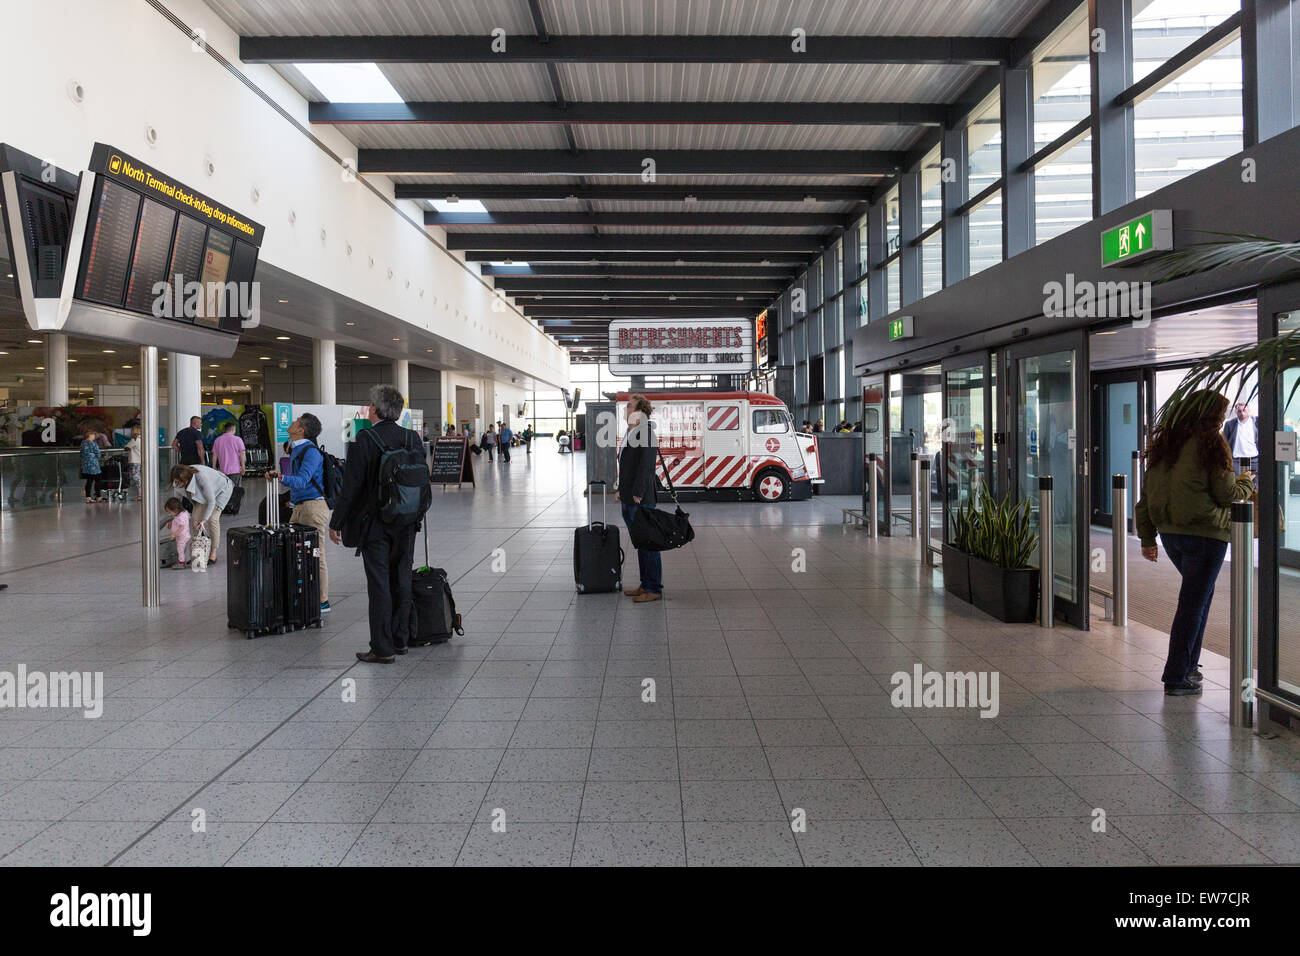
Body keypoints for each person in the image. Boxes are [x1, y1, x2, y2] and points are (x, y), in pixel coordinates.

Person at [1136, 390, 1255, 697]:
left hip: (1171, 536)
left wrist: (1148, 537)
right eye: (1219, 414)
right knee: (1192, 605)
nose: (1221, 420)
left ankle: (1189, 666)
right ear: (1210, 416)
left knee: (1198, 599)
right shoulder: (1210, 443)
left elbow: (1146, 496)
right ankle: (1177, 676)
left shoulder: (1165, 444)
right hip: (1205, 535)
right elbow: (1227, 494)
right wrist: (1246, 480)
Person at [329, 385, 424, 664]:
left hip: (376, 525)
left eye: (370, 404)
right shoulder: (412, 438)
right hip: (407, 522)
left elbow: (351, 487)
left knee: (380, 584)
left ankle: (382, 648)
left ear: (375, 409)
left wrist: (337, 521)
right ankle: (400, 639)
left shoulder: (365, 439)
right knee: (402, 579)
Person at [265, 413, 332, 615]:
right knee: (296, 553)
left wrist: (281, 476)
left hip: (313, 508)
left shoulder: (311, 452)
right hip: (300, 507)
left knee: (316, 554)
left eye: (296, 421)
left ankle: (322, 601)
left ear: (301, 429)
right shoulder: (296, 448)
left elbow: (302, 480)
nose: (292, 422)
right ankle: (301, 593)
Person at [618, 394, 663, 604]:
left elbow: (646, 466)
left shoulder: (645, 432)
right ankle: (645, 584)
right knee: (640, 543)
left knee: (648, 544)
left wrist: (637, 492)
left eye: (629, 406)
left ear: (639, 412)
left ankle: (653, 588)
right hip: (630, 496)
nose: (626, 409)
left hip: (641, 498)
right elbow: (628, 466)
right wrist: (621, 490)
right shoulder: (632, 431)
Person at [169, 463, 234, 565]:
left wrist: (204, 520)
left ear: (186, 480)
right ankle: (199, 553)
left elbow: (211, 501)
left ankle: (213, 553)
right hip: (204, 494)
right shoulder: (178, 480)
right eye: (175, 481)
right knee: (195, 519)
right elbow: (179, 501)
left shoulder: (201, 476)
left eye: (178, 482)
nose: (176, 484)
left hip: (222, 489)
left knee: (212, 519)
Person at [1223, 402, 1259, 477]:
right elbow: (1225, 442)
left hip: (1253, 459)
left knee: (1254, 484)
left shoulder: (1256, 422)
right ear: (1236, 412)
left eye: (1244, 410)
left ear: (1248, 410)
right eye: (1239, 411)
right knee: (1238, 483)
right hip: (1237, 460)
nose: (1242, 413)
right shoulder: (1230, 424)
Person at [211, 421, 247, 488]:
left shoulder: (217, 440)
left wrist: (214, 467)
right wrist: (243, 467)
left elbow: (214, 455)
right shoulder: (237, 439)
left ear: (226, 429)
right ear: (233, 429)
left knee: (225, 491)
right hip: (235, 470)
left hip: (222, 471)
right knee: (236, 491)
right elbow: (242, 454)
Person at [162, 497, 191, 569]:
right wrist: (171, 524)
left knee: (180, 550)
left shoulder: (180, 517)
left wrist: (174, 534)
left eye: (169, 511)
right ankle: (182, 561)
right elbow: (188, 517)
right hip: (183, 536)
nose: (169, 514)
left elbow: (182, 527)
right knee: (181, 549)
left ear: (175, 510)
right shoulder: (182, 513)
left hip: (182, 537)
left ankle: (181, 563)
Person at [80, 428, 104, 503]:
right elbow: (98, 454)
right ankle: (98, 496)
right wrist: (95, 455)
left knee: (89, 481)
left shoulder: (83, 443)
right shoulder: (93, 443)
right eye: (93, 435)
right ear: (90, 435)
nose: (94, 436)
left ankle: (88, 497)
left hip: (86, 465)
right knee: (98, 480)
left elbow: (82, 454)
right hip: (94, 465)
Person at [126, 425, 143, 501]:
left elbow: (127, 447)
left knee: (136, 477)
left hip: (135, 461)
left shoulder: (135, 439)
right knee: (140, 477)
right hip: (142, 461)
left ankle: (140, 495)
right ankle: (142, 493)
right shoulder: (143, 438)